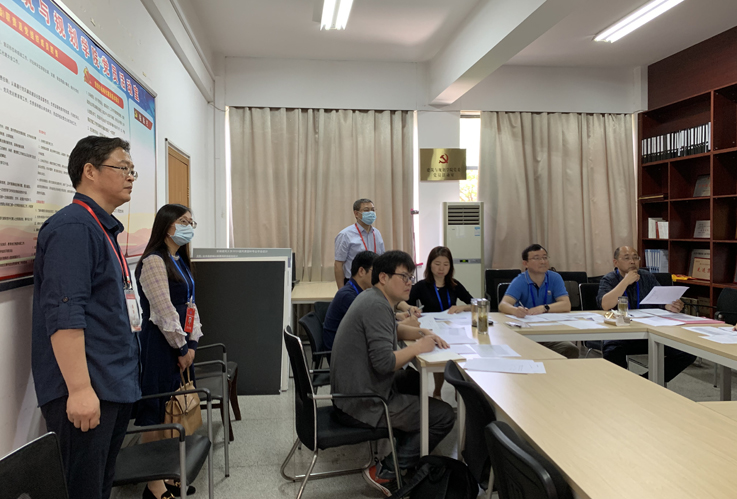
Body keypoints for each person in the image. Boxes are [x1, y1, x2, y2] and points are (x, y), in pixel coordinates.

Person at [32, 136, 141, 499]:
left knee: (100, 485)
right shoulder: (74, 228)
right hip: (88, 389)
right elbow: (65, 314)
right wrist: (79, 390)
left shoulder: (100, 226)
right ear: (89, 171)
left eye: (132, 170)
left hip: (110, 383)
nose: (130, 176)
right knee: (83, 490)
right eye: (122, 167)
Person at [330, 251, 455, 495]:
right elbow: (385, 363)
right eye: (404, 277)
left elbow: (392, 330)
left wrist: (423, 333)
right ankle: (386, 471)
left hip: (357, 387)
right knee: (444, 415)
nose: (410, 283)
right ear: (384, 277)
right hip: (363, 401)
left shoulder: (374, 298)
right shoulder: (377, 305)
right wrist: (419, 347)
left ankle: (409, 444)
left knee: (413, 379)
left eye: (411, 277)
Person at [134, 204, 203, 499]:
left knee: (174, 410)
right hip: (161, 347)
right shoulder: (153, 261)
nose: (188, 227)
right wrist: (182, 347)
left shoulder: (179, 260)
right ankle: (153, 485)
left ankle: (166, 472)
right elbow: (164, 312)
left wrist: (193, 344)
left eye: (191, 222)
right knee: (156, 413)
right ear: (166, 226)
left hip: (181, 344)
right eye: (183, 221)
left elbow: (190, 306)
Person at [597, 246, 695, 382]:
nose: (632, 261)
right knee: (612, 351)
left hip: (648, 333)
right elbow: (605, 305)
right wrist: (625, 281)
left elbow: (660, 299)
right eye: (626, 258)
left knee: (687, 351)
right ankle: (621, 386)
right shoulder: (609, 279)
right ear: (616, 262)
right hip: (621, 334)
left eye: (635, 258)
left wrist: (670, 305)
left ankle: (646, 382)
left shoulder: (647, 277)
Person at [408, 246, 474, 398]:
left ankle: (459, 390)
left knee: (458, 354)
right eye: (437, 264)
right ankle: (437, 391)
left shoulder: (454, 285)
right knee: (439, 356)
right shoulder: (421, 286)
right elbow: (406, 305)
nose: (441, 268)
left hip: (453, 329)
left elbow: (474, 303)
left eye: (446, 264)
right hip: (432, 329)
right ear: (430, 265)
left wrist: (462, 307)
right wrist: (412, 310)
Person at [498, 244, 580, 359]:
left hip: (549, 333)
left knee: (570, 350)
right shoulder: (520, 280)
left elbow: (566, 305)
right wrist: (515, 310)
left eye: (545, 257)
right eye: (536, 258)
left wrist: (543, 308)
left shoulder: (555, 278)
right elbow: (503, 305)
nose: (543, 261)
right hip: (526, 334)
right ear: (525, 263)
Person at [323, 250, 377, 350]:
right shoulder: (348, 296)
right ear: (361, 271)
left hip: (350, 344)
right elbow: (374, 325)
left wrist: (396, 316)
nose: (378, 277)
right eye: (375, 272)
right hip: (341, 352)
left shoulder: (358, 291)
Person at [334, 198, 385, 288]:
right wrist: (341, 290)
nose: (371, 213)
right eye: (366, 210)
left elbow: (382, 259)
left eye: (372, 210)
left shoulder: (377, 233)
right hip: (353, 282)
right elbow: (338, 264)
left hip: (374, 281)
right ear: (356, 214)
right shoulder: (345, 235)